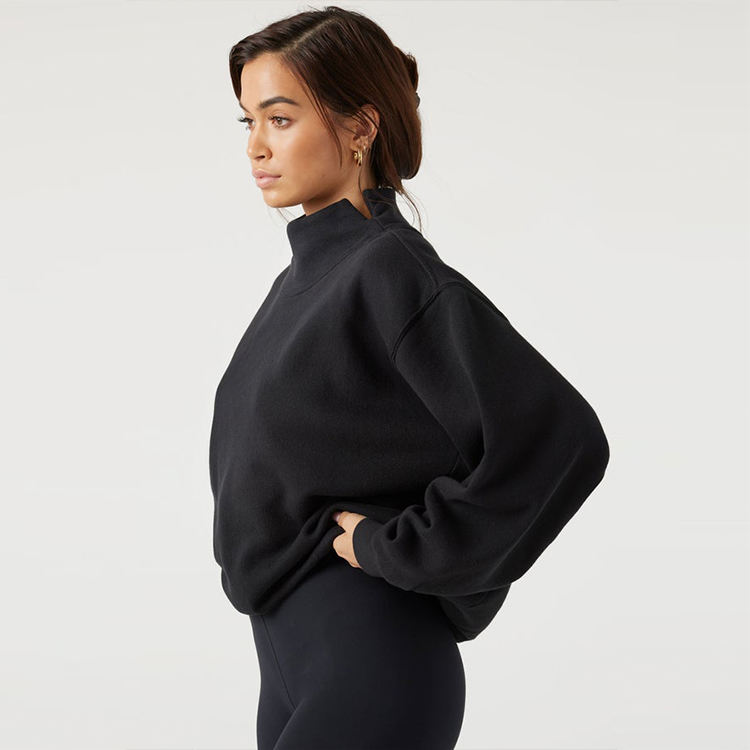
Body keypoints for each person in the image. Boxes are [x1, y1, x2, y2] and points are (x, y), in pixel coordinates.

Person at [209, 7, 610, 750]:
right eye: (248, 122)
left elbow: (562, 440)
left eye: (280, 118)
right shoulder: (302, 283)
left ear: (360, 128)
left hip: (373, 661)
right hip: (292, 664)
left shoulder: (389, 270)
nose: (256, 146)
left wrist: (397, 548)